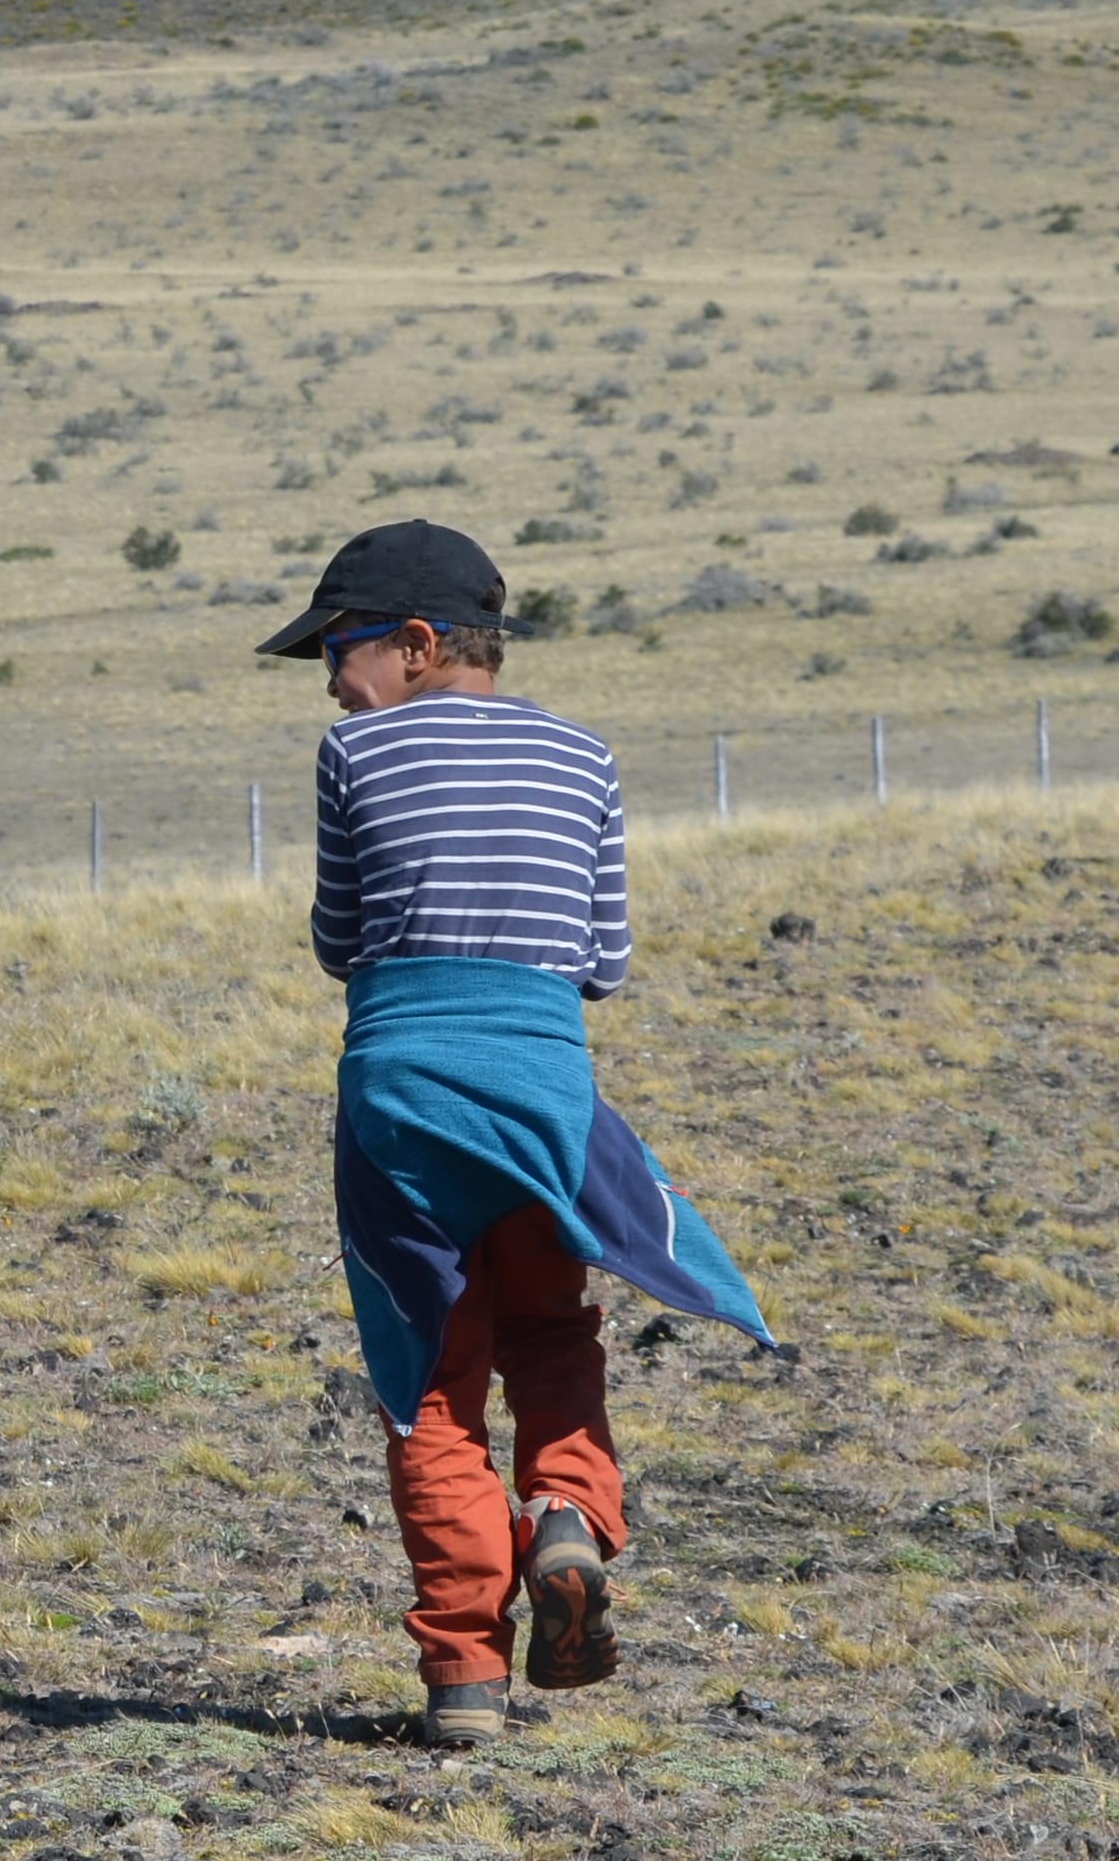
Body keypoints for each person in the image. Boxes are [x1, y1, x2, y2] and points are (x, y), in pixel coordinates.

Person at [261, 522, 771, 1753]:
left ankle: (462, 1679)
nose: (329, 681)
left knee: (428, 1382)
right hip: (544, 1099)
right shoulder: (582, 756)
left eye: (336, 649)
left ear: (414, 644)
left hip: (399, 1102)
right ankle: (565, 1521)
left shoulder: (353, 750)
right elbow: (603, 961)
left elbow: (337, 941)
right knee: (550, 1331)